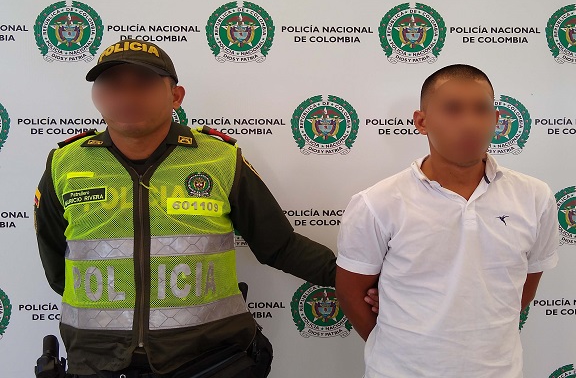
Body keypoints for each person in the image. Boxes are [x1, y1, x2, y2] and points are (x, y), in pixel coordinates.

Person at [33, 39, 377, 378]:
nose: (127, 96)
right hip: (97, 361)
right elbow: (57, 265)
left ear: (176, 96)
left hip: (209, 359)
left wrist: (369, 282)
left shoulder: (219, 159)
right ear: (96, 96)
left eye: (143, 84)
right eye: (113, 85)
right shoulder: (65, 163)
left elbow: (279, 246)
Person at [335, 64, 559, 377]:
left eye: (481, 110)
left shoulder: (535, 197)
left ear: (496, 119)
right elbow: (350, 292)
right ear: (422, 122)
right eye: (453, 109)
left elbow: (522, 289)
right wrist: (398, 346)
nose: (470, 123)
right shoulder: (376, 202)